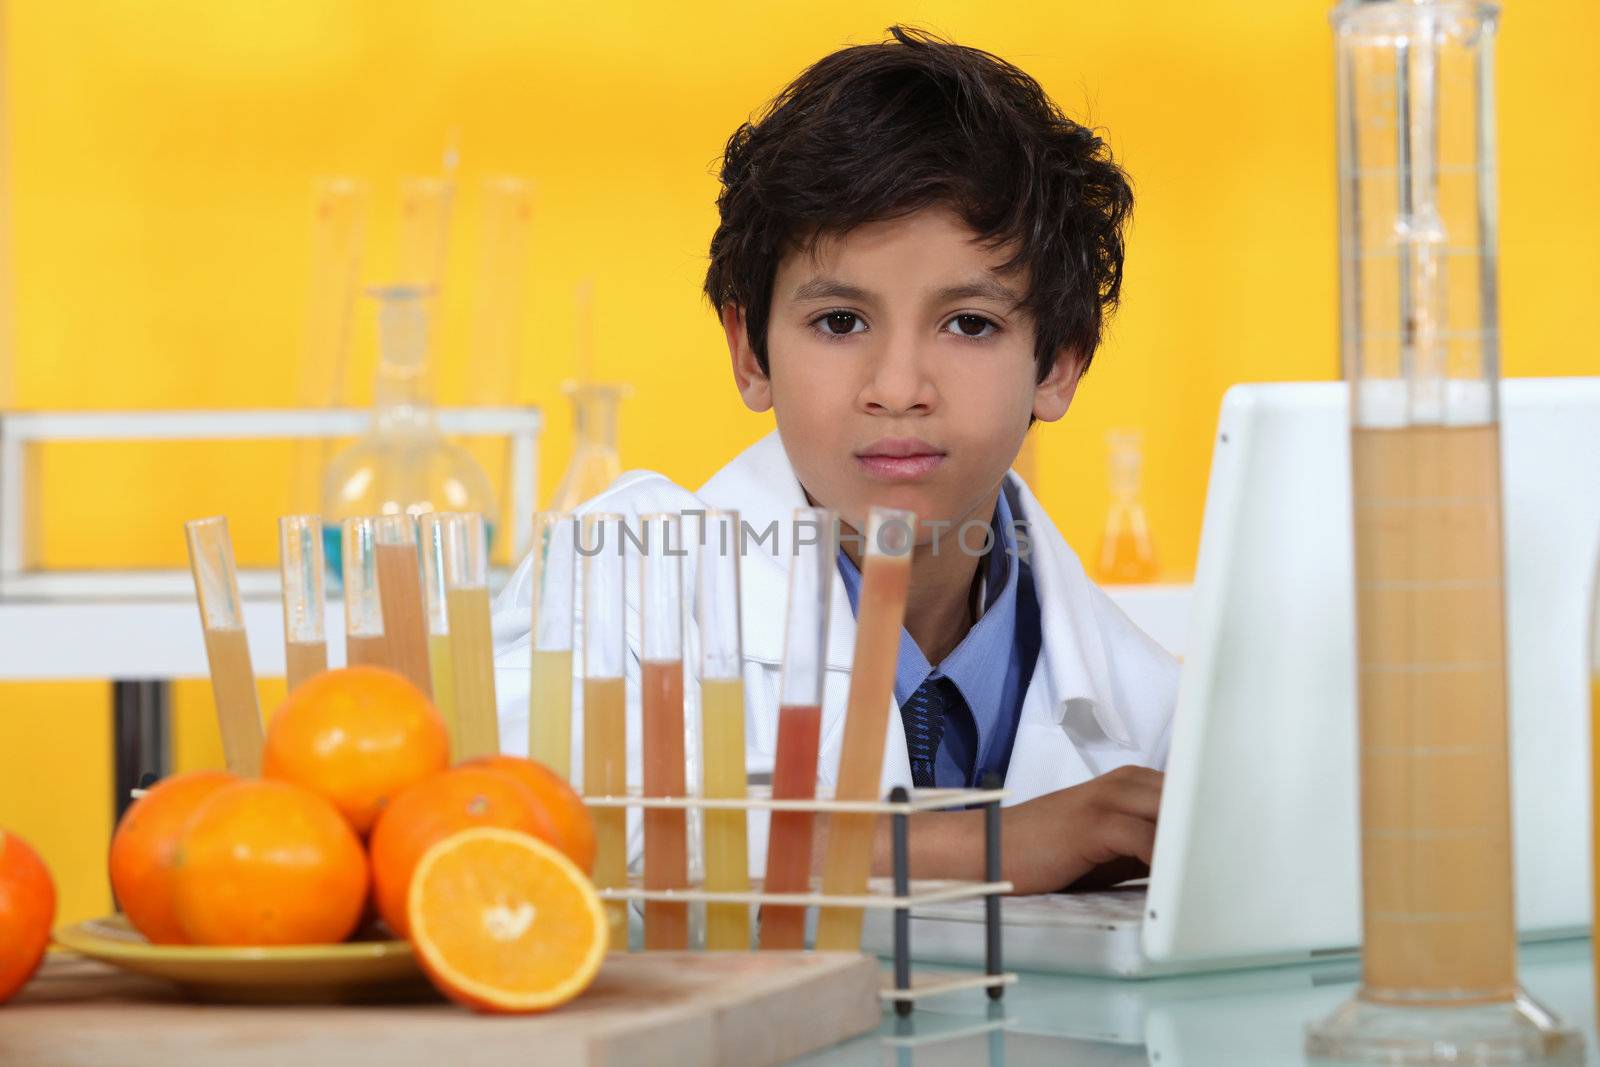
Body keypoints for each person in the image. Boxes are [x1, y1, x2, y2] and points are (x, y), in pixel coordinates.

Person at [493, 25, 1175, 895]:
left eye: (970, 323)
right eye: (840, 322)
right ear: (750, 351)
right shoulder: (623, 580)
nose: (898, 388)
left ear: (1062, 362)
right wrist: (987, 851)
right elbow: (523, 830)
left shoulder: (1150, 707)